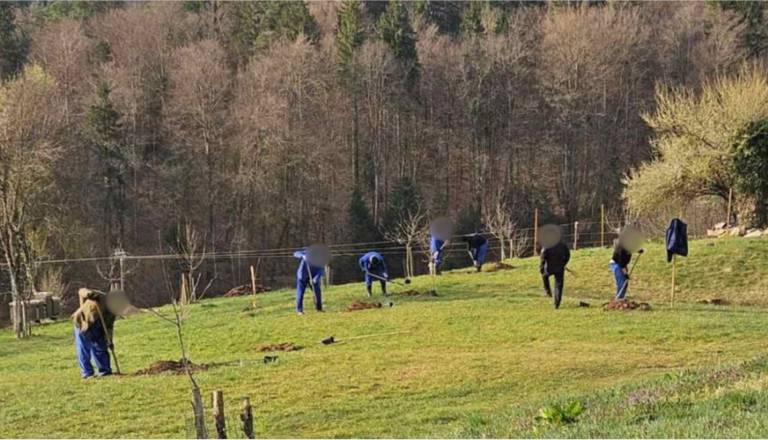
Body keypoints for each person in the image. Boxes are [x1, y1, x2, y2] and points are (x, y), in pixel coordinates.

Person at [72, 288, 114, 379]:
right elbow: (81, 291)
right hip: (83, 322)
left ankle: (105, 371)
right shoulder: (101, 296)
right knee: (84, 348)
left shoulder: (112, 313)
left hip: (98, 324)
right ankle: (87, 373)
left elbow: (109, 327)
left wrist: (110, 340)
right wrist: (89, 294)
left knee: (101, 346)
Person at [540, 240, 571, 309]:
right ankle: (557, 303)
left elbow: (543, 255)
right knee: (559, 285)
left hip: (549, 268)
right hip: (560, 268)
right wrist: (564, 263)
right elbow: (568, 255)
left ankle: (548, 292)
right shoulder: (563, 245)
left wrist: (541, 267)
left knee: (544, 276)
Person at [294, 248, 324, 315]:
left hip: (313, 277)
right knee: (300, 293)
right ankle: (299, 310)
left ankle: (319, 309)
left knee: (317, 292)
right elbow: (296, 253)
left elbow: (321, 270)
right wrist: (302, 255)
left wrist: (316, 279)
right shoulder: (307, 253)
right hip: (302, 276)